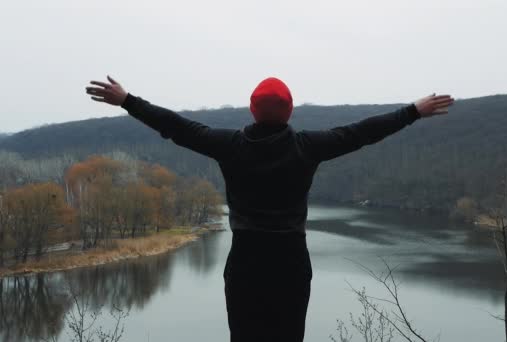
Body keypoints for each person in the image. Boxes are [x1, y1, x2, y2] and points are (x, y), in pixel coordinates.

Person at [85, 76, 454, 342]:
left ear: (252, 110)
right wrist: (412, 112)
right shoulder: (307, 146)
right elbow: (362, 132)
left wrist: (127, 100)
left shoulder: (229, 145)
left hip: (246, 260)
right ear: (290, 112)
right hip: (291, 261)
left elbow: (176, 127)